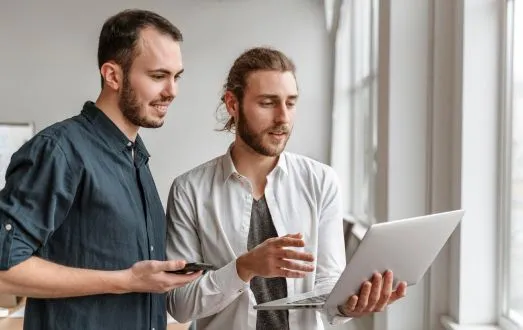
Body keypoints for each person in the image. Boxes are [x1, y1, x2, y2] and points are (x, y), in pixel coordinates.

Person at [165, 47, 407, 330]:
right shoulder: (189, 190)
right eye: (268, 103)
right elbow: (180, 305)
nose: (283, 118)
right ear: (233, 104)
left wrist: (347, 304)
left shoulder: (321, 181)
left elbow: (329, 283)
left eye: (290, 103)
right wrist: (244, 268)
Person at [0, 9, 200, 330]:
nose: (172, 91)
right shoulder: (59, 150)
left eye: (177, 77)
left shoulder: (138, 160)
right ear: (112, 75)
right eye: (158, 76)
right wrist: (125, 280)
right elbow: (3, 271)